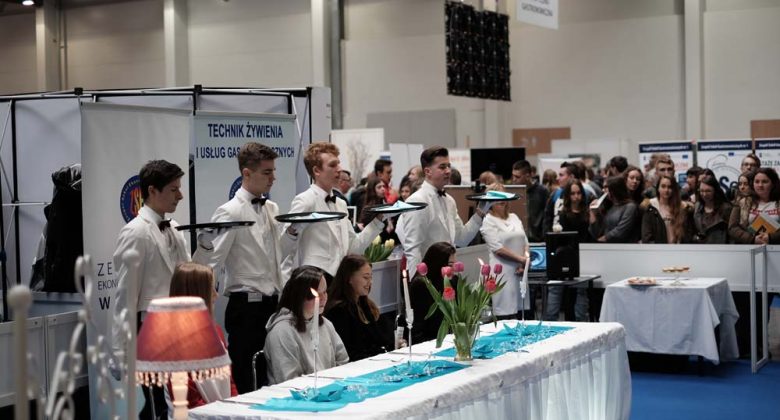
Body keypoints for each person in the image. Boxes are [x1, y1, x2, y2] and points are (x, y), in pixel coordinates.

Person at [192, 142, 295, 393]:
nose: (273, 178)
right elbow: (210, 264)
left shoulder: (271, 207)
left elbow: (275, 255)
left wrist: (293, 233)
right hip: (246, 309)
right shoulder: (229, 212)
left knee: (271, 378)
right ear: (246, 173)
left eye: (273, 171)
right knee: (248, 380)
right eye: (267, 172)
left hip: (273, 305)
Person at [111, 159, 190, 420]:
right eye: (173, 189)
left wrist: (207, 246)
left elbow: (188, 276)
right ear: (152, 191)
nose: (180, 195)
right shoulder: (136, 233)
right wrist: (119, 352)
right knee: (158, 405)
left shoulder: (175, 228)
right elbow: (125, 297)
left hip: (179, 328)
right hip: (151, 331)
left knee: (175, 403)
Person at [285, 142, 385, 282]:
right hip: (313, 283)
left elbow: (353, 248)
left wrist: (378, 220)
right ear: (317, 171)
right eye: (332, 165)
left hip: (339, 283)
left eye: (338, 163)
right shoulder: (305, 200)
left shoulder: (341, 204)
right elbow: (286, 249)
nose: (340, 169)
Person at [397, 146, 488, 276]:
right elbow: (413, 250)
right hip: (428, 278)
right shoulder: (417, 201)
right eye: (442, 167)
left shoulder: (449, 201)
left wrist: (480, 213)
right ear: (427, 171)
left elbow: (462, 239)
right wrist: (417, 283)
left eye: (449, 166)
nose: (448, 171)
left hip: (449, 276)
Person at [167, 262, 238, 409]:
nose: (216, 295)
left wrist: (235, 407)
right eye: (211, 289)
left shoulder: (216, 332)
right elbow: (190, 403)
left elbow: (229, 382)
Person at [264, 266, 349, 385]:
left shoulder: (326, 324)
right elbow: (289, 380)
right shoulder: (282, 332)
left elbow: (343, 361)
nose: (323, 298)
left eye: (325, 292)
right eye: (316, 294)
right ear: (300, 296)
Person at [324, 255, 396, 361]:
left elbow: (378, 339)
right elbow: (351, 352)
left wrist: (394, 345)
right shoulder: (339, 311)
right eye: (365, 277)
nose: (370, 282)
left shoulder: (364, 304)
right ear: (349, 278)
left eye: (371, 277)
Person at [479, 183, 529, 319]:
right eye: (496, 197)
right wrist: (522, 260)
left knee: (522, 315)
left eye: (503, 196)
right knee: (505, 315)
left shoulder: (514, 217)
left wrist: (524, 263)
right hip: (502, 272)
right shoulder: (488, 220)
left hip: (520, 271)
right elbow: (497, 249)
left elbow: (525, 242)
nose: (501, 200)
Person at [546, 179, 592, 322]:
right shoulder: (562, 213)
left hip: (583, 257)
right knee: (556, 290)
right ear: (568, 195)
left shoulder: (587, 212)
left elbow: (592, 234)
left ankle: (582, 323)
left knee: (581, 293)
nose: (576, 197)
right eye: (572, 194)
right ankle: (550, 323)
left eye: (578, 193)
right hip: (564, 256)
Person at [408, 242, 457, 343]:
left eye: (454, 264)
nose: (453, 269)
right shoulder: (421, 285)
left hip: (450, 335)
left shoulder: (453, 280)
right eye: (450, 265)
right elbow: (421, 323)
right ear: (439, 264)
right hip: (427, 338)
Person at [729, 167, 780, 244]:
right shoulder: (742, 202)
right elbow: (732, 228)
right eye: (757, 181)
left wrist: (770, 237)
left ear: (773, 184)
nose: (760, 185)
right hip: (749, 247)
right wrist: (752, 239)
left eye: (765, 182)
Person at [641, 175, 693, 244]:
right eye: (663, 186)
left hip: (679, 248)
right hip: (657, 249)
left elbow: (688, 235)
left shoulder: (682, 207)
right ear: (658, 188)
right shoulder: (650, 207)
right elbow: (647, 237)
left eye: (670, 187)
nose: (666, 190)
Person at [589, 176, 640, 243]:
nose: (603, 190)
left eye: (606, 187)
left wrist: (603, 239)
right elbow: (597, 232)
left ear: (614, 188)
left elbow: (621, 231)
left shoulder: (630, 207)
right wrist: (593, 213)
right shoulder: (609, 206)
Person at [510, 160, 549, 243]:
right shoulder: (512, 192)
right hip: (518, 240)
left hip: (538, 240)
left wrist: (544, 236)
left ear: (527, 176)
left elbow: (547, 216)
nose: (514, 179)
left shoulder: (542, 191)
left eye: (517, 177)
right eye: (513, 176)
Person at [692, 175, 733, 244]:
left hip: (720, 247)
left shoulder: (726, 208)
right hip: (701, 247)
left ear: (715, 191)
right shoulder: (697, 207)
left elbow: (732, 233)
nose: (704, 194)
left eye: (708, 191)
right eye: (701, 191)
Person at [359, 177, 397, 243]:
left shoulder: (384, 203)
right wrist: (387, 230)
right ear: (372, 190)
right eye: (379, 187)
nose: (383, 189)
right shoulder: (369, 209)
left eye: (383, 186)